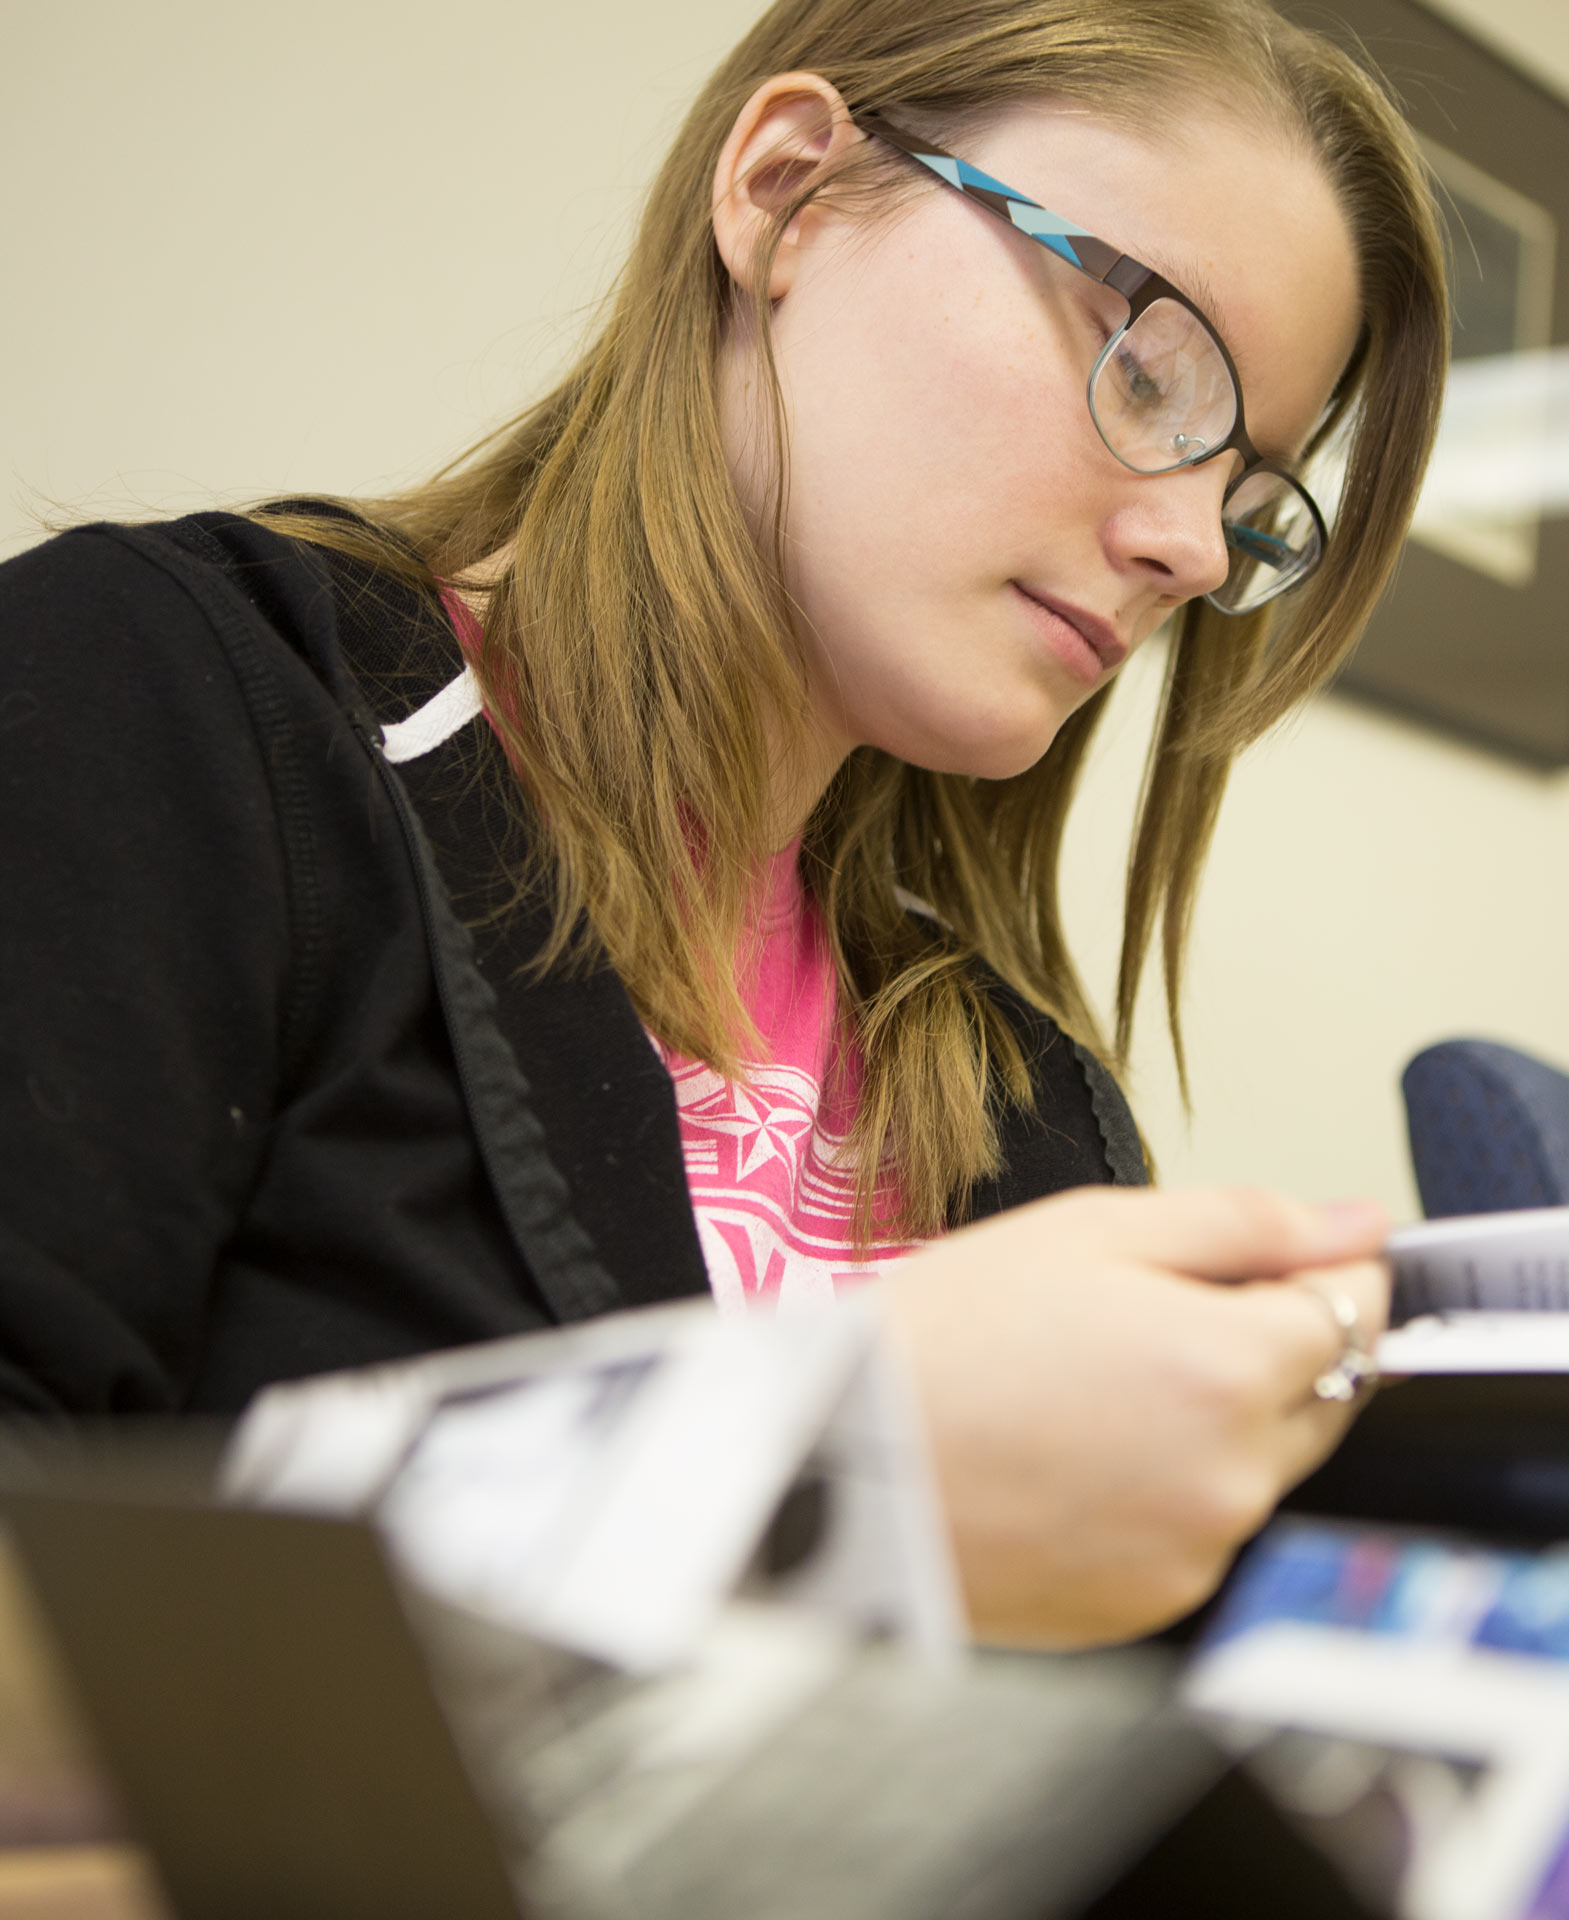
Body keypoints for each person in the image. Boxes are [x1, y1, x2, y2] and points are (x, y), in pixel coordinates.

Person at [0, 0, 1443, 1640]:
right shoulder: (162, 702)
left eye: (1249, 499)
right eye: (1147, 363)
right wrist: (813, 1483)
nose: (1190, 544)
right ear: (785, 194)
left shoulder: (1024, 1109)